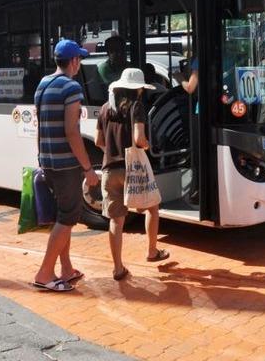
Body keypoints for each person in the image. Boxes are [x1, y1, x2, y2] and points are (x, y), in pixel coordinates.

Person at [31, 39, 101, 292]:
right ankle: (44, 273)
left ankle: (67, 269)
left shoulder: (43, 84)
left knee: (64, 216)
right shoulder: (71, 88)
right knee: (68, 218)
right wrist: (88, 169)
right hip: (66, 165)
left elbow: (41, 126)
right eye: (79, 59)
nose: (80, 64)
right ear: (73, 61)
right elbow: (72, 132)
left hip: (48, 162)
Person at [96, 68, 169, 281]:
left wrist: (113, 152)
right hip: (132, 170)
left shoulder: (104, 109)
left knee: (116, 221)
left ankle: (118, 268)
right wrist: (146, 146)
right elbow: (139, 138)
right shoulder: (137, 106)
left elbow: (99, 142)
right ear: (138, 89)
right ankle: (152, 251)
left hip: (109, 169)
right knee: (152, 208)